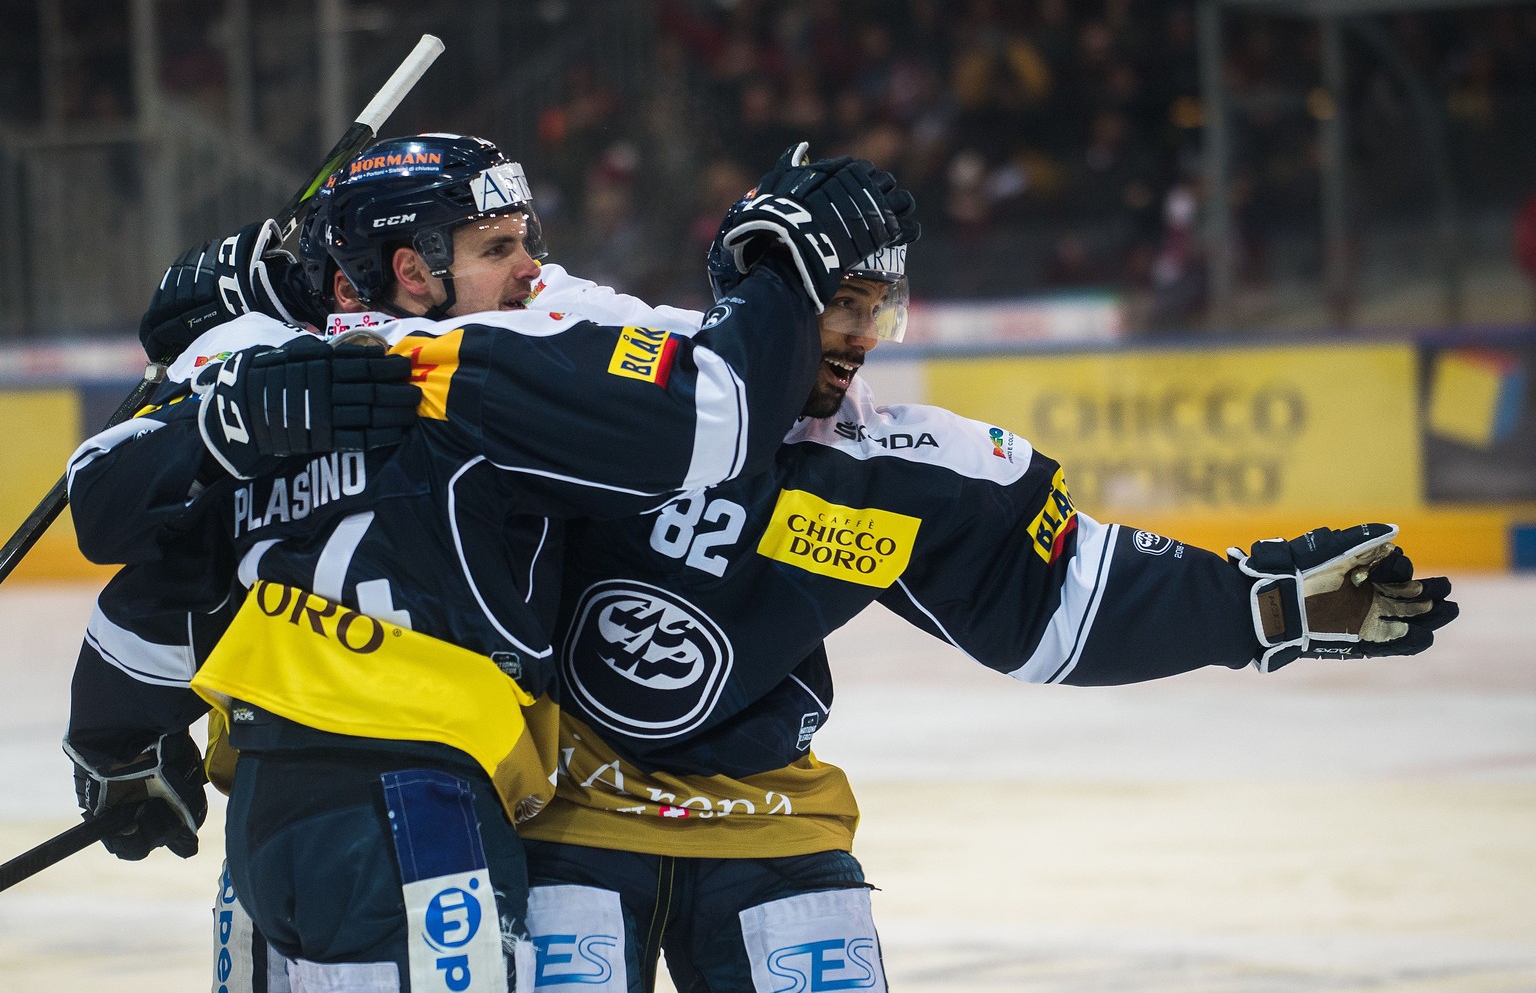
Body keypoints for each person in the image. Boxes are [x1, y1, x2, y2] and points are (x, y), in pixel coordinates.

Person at [63, 133, 917, 993]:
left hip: (266, 819)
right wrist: (783, 266)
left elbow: (142, 569)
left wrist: (115, 746)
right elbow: (715, 413)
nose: (529, 271)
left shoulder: (270, 378)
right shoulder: (474, 369)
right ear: (412, 268)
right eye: (499, 247)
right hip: (420, 812)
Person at [504, 228, 1459, 992]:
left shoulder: (889, 466)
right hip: (565, 815)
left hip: (768, 824)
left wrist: (1263, 607)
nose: (863, 334)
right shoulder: (616, 384)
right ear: (766, 293)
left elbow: (1063, 595)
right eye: (841, 304)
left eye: (879, 310)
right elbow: (476, 305)